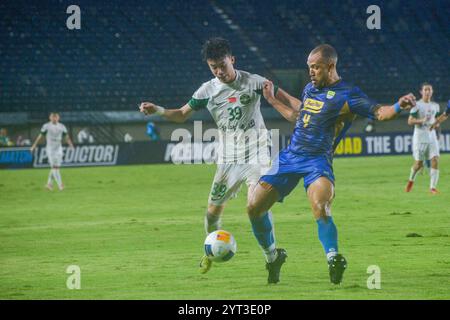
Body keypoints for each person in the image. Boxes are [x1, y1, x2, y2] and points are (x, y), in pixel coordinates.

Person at [246, 44, 416, 285]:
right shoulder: (309, 88)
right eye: (309, 68)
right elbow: (300, 112)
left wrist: (399, 106)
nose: (311, 72)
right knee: (254, 207)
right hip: (290, 157)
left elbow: (380, 113)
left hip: (317, 161)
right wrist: (274, 97)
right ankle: (272, 257)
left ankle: (334, 258)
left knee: (320, 207)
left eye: (316, 67)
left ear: (331, 66)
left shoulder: (348, 95)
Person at [139, 37, 299, 280]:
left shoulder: (254, 82)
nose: (219, 71)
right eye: (213, 67)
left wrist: (306, 109)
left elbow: (286, 98)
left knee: (255, 206)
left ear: (232, 60)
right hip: (228, 159)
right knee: (212, 215)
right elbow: (182, 114)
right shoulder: (207, 91)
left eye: (222, 65)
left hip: (258, 153)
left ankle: (271, 257)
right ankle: (210, 251)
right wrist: (158, 110)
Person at [405, 83, 441, 194]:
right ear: (421, 92)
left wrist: (435, 125)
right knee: (418, 164)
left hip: (432, 136)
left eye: (429, 90)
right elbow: (410, 121)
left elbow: (436, 121)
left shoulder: (435, 106)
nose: (427, 92)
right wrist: (422, 120)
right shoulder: (417, 106)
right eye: (425, 90)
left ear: (432, 91)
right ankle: (411, 181)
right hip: (420, 136)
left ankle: (432, 188)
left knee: (435, 159)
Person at [31, 113, 74, 191]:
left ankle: (49, 184)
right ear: (50, 118)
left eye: (56, 117)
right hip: (50, 149)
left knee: (56, 167)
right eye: (53, 117)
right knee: (55, 167)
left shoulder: (62, 126)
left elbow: (66, 137)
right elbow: (40, 137)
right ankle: (60, 185)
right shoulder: (46, 126)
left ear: (58, 118)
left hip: (59, 149)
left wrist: (71, 145)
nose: (54, 119)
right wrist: (34, 146)